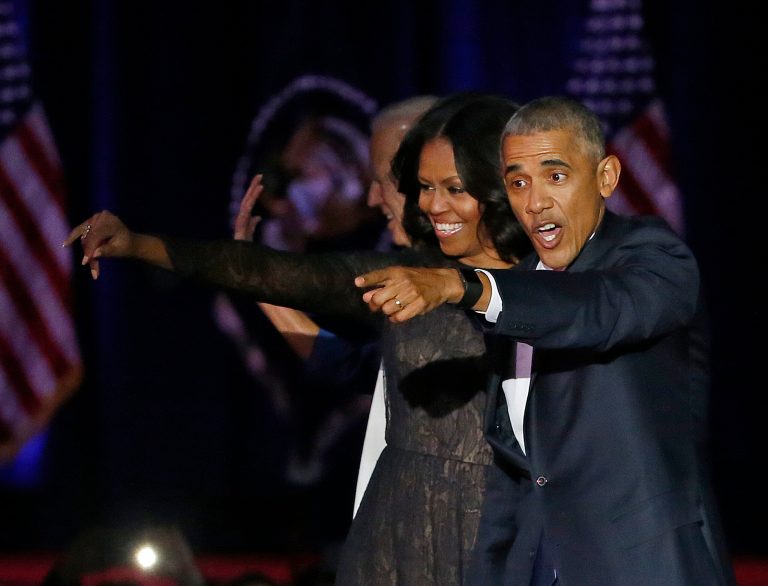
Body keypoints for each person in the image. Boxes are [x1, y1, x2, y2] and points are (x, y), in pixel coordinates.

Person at [65, 92, 532, 585]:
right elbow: (344, 357)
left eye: (450, 187)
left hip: (503, 533)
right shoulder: (404, 276)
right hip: (405, 532)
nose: (428, 204)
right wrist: (141, 245)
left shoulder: (553, 286)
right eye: (422, 186)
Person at [355, 96, 736, 585]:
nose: (535, 202)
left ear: (605, 177)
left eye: (555, 176)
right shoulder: (521, 292)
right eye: (518, 183)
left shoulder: (654, 258)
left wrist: (462, 285)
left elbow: (595, 308)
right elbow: (515, 478)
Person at [234, 96, 439, 519]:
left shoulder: (516, 285)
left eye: (390, 179)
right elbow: (352, 366)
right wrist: (254, 277)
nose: (371, 198)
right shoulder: (404, 281)